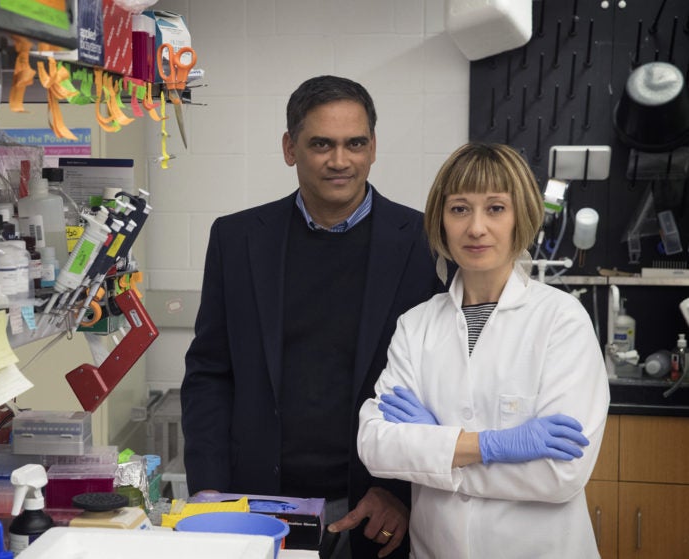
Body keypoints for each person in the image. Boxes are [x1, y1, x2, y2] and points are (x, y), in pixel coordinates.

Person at [181, 75, 447, 558]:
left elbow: (443, 387)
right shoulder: (237, 240)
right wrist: (211, 493)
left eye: (355, 144)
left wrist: (404, 494)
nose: (340, 160)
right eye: (321, 144)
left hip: (374, 508)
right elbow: (209, 376)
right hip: (256, 507)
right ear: (290, 148)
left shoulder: (424, 243)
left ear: (373, 148)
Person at [357, 142, 611, 558]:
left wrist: (434, 449)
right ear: (441, 220)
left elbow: (560, 474)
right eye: (459, 208)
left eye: (495, 208)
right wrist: (494, 445)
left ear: (521, 217)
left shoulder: (562, 321)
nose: (476, 228)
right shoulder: (416, 325)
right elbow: (375, 445)